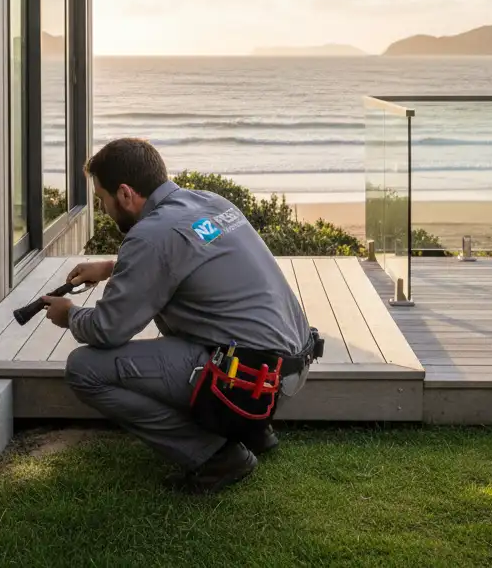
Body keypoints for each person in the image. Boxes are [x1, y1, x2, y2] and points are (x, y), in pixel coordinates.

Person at [40, 138, 318, 494]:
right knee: (190, 318)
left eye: (101, 199)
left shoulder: (150, 237)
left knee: (83, 369)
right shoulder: (210, 202)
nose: (104, 208)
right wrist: (112, 267)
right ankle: (255, 431)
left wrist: (69, 314)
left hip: (247, 381)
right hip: (289, 366)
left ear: (124, 193)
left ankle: (216, 456)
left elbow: (107, 330)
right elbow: (189, 253)